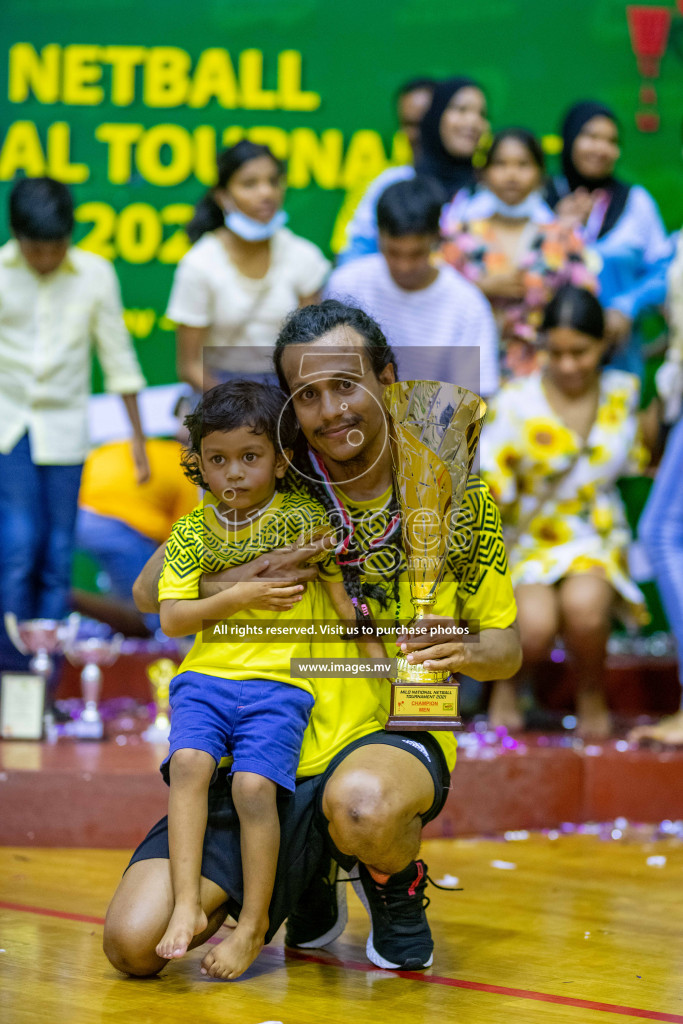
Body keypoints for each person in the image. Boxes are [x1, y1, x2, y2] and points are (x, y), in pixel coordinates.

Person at [104, 301, 521, 978]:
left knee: (360, 804)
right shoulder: (265, 478)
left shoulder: (456, 496)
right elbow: (153, 597)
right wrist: (243, 579)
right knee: (132, 942)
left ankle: (391, 882)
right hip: (263, 729)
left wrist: (463, 652)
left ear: (386, 378)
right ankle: (310, 879)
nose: (330, 410)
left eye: (346, 385)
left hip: (393, 723)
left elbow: (508, 648)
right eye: (307, 395)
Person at [153, 379, 387, 979]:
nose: (233, 474)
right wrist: (244, 591)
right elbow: (173, 615)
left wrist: (373, 652)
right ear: (199, 465)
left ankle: (254, 925)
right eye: (217, 460)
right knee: (188, 768)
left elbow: (340, 595)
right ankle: (184, 905)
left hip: (280, 687)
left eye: (250, 458)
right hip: (204, 679)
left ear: (282, 463)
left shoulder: (306, 520)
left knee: (255, 789)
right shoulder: (193, 531)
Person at [480, 286, 652, 737]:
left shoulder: (623, 392)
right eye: (555, 352)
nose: (568, 365)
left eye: (581, 351)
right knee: (534, 627)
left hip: (593, 535)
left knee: (585, 609)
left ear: (603, 346)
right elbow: (490, 493)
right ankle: (508, 687)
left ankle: (591, 692)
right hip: (528, 538)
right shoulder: (515, 400)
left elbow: (636, 457)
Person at [0, 177, 148, 671]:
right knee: (19, 544)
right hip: (9, 426)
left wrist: (140, 441)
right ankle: (10, 669)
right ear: (18, 237)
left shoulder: (95, 274)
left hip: (64, 429)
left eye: (55, 247)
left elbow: (119, 358)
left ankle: (45, 678)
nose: (46, 258)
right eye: (36, 249)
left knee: (60, 551)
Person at [167, 141, 330, 393]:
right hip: (218, 390)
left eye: (274, 182)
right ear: (222, 196)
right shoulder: (199, 263)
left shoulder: (303, 256)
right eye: (249, 184)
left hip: (289, 386)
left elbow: (311, 352)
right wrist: (238, 409)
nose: (266, 193)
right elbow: (189, 367)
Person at [441, 128, 596, 377]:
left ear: (540, 173)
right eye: (501, 164)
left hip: (545, 375)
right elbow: (431, 298)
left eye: (523, 164)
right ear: (484, 173)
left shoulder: (563, 238)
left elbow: (586, 305)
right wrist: (480, 288)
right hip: (470, 372)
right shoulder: (458, 237)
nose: (511, 175)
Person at [326, 176, 499, 396]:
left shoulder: (467, 305)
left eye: (416, 254)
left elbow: (473, 400)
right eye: (393, 252)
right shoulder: (346, 285)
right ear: (378, 235)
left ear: (437, 238)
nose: (404, 267)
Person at [547, 101, 673, 375]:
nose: (601, 149)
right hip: (548, 360)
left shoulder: (636, 202)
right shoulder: (542, 198)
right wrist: (555, 227)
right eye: (591, 137)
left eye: (612, 141)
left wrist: (629, 304)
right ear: (569, 139)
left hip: (618, 363)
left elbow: (665, 271)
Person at [338, 77, 488, 265]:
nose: (473, 122)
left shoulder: (490, 192)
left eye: (482, 114)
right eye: (461, 110)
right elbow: (354, 256)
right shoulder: (393, 183)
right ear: (435, 117)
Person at [75, 409, 199, 635]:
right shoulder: (188, 467)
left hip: (77, 515)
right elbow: (182, 541)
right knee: (147, 616)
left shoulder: (139, 446)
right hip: (117, 526)